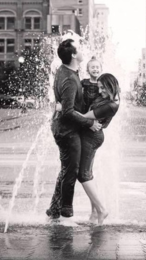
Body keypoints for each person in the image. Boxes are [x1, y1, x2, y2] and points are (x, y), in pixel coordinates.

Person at [46, 37, 102, 222]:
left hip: (64, 128)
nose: (81, 50)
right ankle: (66, 215)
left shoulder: (66, 71)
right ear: (73, 55)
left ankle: (54, 211)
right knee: (71, 172)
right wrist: (89, 123)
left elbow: (65, 105)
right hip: (67, 131)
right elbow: (68, 111)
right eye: (78, 49)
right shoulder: (70, 78)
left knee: (65, 170)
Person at [56, 73, 120, 225]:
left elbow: (84, 116)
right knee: (87, 174)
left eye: (103, 88)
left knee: (82, 175)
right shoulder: (107, 99)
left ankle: (102, 209)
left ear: (111, 86)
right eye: (99, 88)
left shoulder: (111, 105)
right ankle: (94, 213)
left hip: (92, 137)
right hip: (90, 135)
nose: (100, 91)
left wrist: (63, 108)